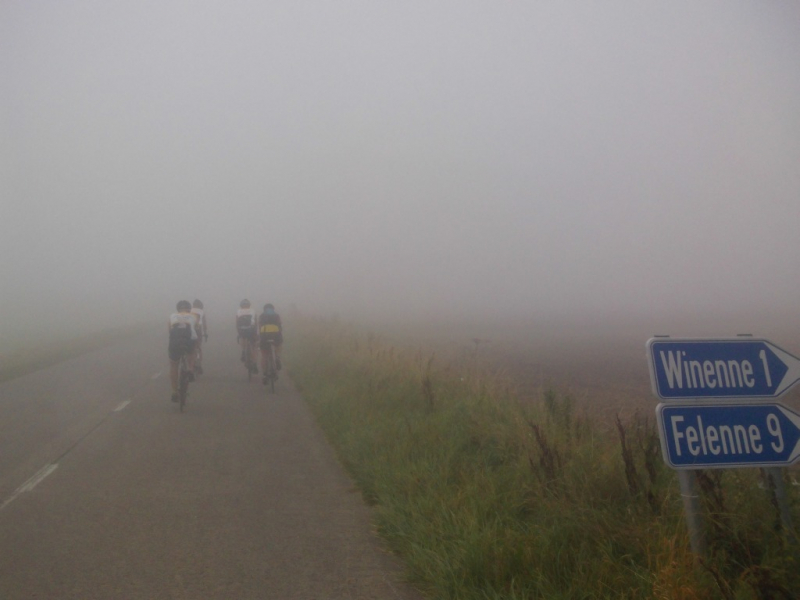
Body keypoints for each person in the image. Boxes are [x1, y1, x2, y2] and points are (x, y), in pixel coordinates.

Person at [168, 300, 197, 402]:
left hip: (175, 342)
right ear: (189, 309)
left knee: (174, 365)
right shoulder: (193, 316)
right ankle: (190, 369)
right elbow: (196, 330)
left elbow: (170, 331)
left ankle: (174, 392)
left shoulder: (172, 316)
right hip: (188, 341)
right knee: (193, 351)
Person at [258, 303, 283, 384]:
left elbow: (259, 328)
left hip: (265, 336)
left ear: (264, 309)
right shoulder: (277, 315)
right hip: (275, 335)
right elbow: (280, 327)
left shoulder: (261, 316)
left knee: (264, 356)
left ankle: (265, 375)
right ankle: (277, 357)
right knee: (278, 344)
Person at [236, 299, 258, 373]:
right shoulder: (253, 310)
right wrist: (256, 332)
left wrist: (238, 332)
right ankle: (254, 363)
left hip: (242, 329)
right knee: (253, 347)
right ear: (249, 305)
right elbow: (256, 322)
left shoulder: (239, 311)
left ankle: (243, 351)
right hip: (251, 329)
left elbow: (237, 322)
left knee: (243, 338)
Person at [191, 299, 207, 374]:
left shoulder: (189, 310)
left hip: (190, 329)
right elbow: (204, 324)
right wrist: (205, 333)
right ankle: (199, 363)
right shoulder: (201, 312)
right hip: (198, 329)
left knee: (191, 347)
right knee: (198, 346)